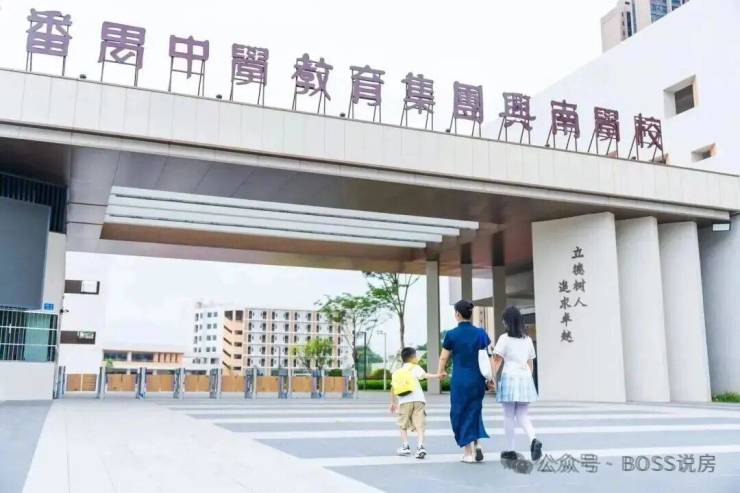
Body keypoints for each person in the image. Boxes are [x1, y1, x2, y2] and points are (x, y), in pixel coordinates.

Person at [438, 300, 494, 463]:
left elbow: (444, 357)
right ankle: (478, 444)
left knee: (459, 412)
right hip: (477, 380)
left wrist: (441, 371)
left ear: (457, 314)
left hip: (460, 380)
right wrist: (491, 378)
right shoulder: (481, 333)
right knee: (474, 410)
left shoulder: (451, 334)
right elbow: (488, 357)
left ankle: (468, 453)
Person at [492, 305, 543, 462]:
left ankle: (510, 450)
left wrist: (491, 379)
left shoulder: (504, 338)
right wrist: (527, 379)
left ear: (507, 321)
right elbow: (530, 363)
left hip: (510, 377)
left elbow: (497, 361)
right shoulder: (527, 340)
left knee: (508, 415)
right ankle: (533, 439)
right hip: (525, 378)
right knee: (522, 415)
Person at [389, 347, 443, 459]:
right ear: (412, 358)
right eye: (416, 356)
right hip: (418, 400)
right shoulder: (415, 368)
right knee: (420, 424)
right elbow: (425, 375)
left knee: (403, 424)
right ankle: (420, 447)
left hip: (404, 401)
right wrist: (438, 376)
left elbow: (393, 388)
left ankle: (405, 446)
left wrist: (393, 403)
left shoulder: (397, 372)